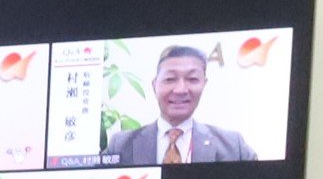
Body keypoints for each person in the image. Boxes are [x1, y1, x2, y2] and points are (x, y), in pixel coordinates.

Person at [105, 44, 256, 164]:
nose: (180, 90)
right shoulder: (120, 145)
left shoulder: (233, 147)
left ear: (204, 84)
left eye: (192, 79)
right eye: (170, 79)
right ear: (154, 85)